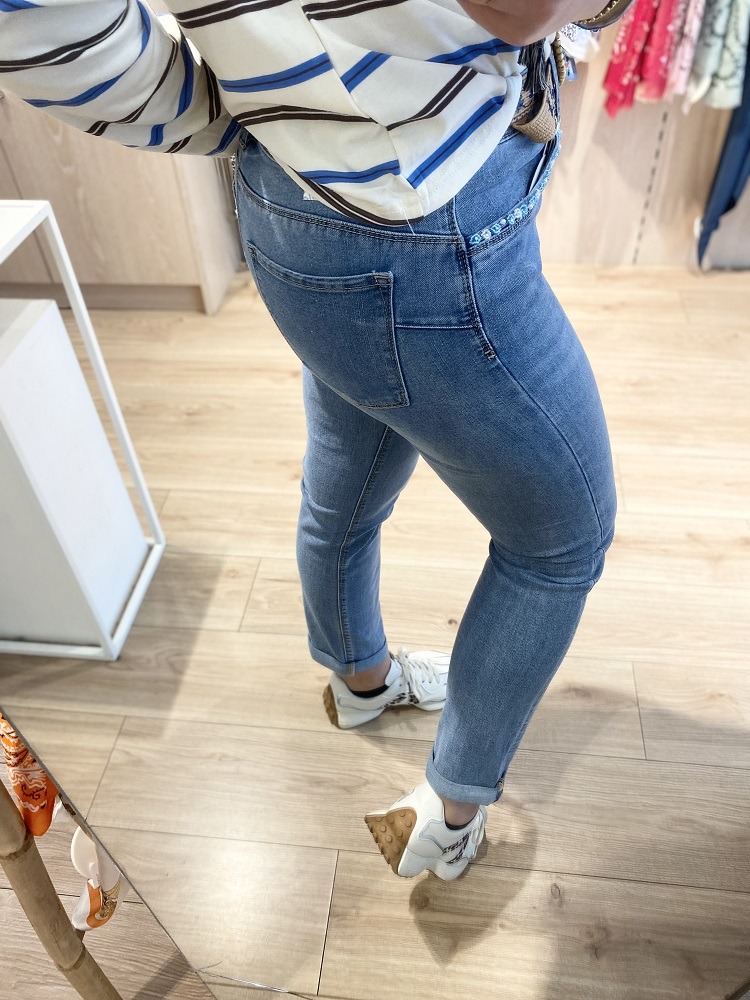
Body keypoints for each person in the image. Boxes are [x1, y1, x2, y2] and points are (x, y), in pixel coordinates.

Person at [0, 0, 617, 882]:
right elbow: (526, 11)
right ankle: (451, 814)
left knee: (346, 479)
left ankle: (361, 683)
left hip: (286, 193)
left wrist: (242, 115)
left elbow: (50, 28)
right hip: (427, 218)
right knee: (559, 542)